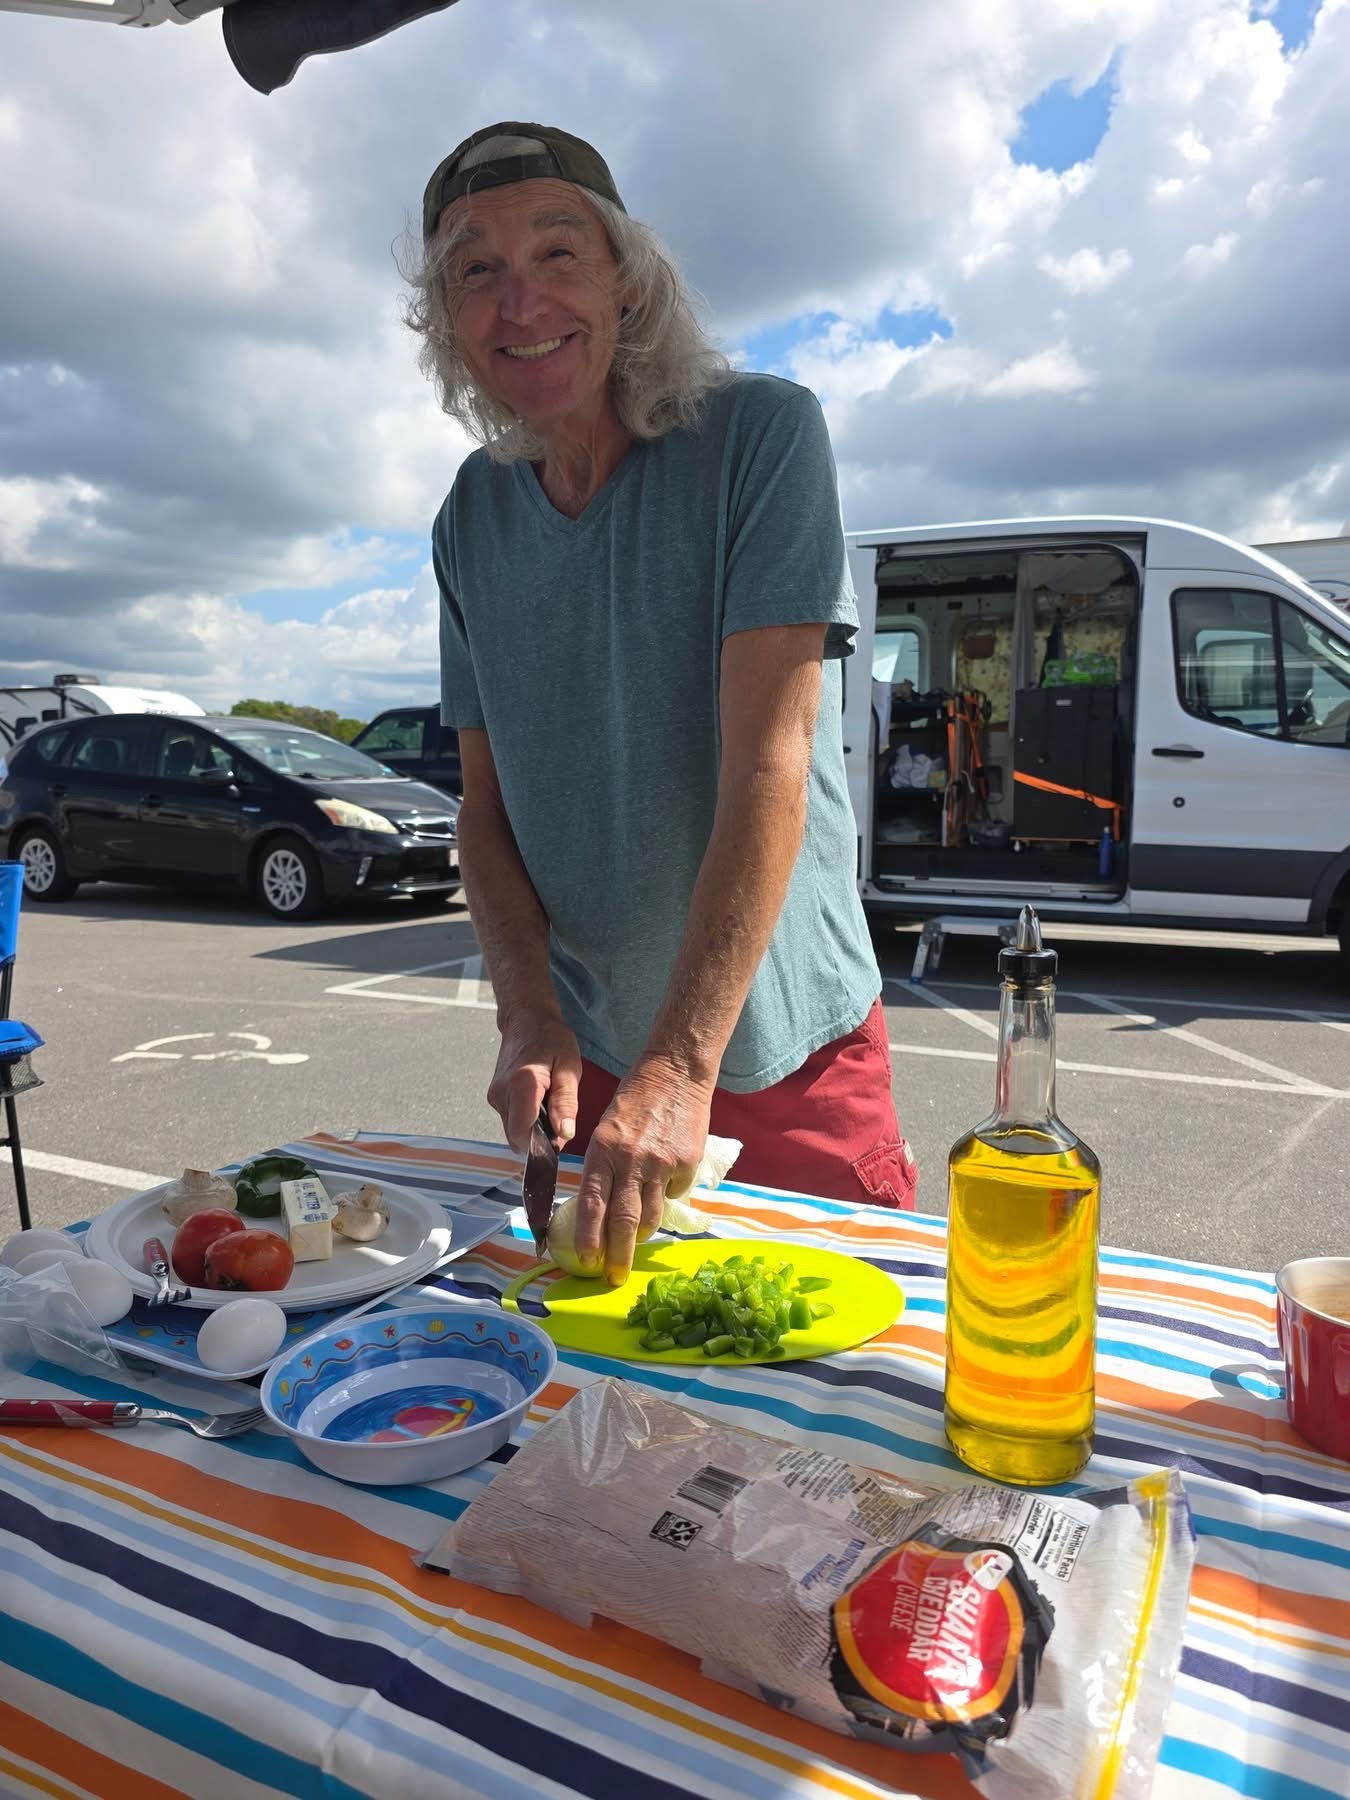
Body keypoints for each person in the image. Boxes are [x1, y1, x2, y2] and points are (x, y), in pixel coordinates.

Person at [406, 121, 916, 1284]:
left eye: (558, 253)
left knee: (834, 1377)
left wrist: (683, 1067)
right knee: (601, 1381)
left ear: (628, 283)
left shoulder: (760, 437)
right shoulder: (469, 518)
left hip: (779, 1055)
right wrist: (527, 1015)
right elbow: (484, 811)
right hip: (591, 1065)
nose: (521, 302)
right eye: (476, 272)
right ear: (448, 325)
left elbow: (769, 763)